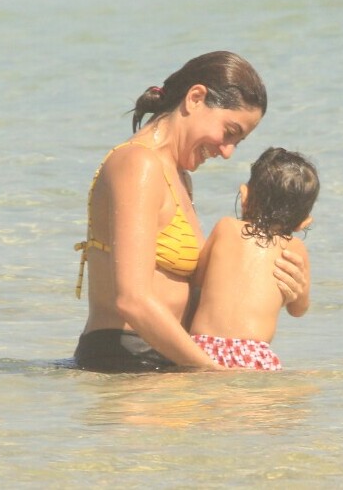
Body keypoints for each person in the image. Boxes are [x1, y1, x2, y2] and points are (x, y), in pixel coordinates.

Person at [72, 51, 308, 372]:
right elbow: (133, 300)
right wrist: (212, 371)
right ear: (195, 98)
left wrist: (283, 287)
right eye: (230, 132)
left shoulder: (179, 175)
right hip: (127, 360)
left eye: (238, 142)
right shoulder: (137, 164)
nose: (227, 152)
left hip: (169, 358)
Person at [189, 146, 320, 371]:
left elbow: (198, 279)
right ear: (303, 223)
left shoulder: (225, 227)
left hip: (202, 348)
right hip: (254, 355)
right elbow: (298, 309)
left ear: (245, 196)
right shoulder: (296, 249)